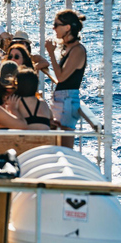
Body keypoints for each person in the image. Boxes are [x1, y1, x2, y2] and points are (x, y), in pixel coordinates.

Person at [45, 9, 87, 148]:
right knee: (58, 145)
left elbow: (61, 77)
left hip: (67, 102)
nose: (54, 28)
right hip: (62, 100)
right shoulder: (70, 48)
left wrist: (51, 53)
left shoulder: (77, 51)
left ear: (68, 28)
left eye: (56, 24)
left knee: (65, 147)